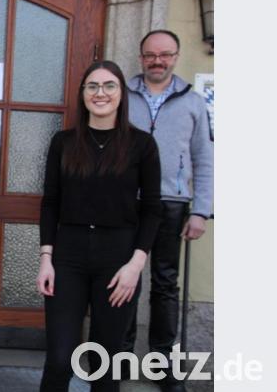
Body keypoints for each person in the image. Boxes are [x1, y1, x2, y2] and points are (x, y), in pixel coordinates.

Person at [36, 60, 162, 392]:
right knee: (60, 359)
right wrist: (46, 258)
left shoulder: (142, 145)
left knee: (104, 362)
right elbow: (50, 202)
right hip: (68, 257)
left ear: (122, 94)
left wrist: (136, 265)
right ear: (83, 94)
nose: (100, 93)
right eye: (92, 86)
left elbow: (152, 210)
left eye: (109, 86)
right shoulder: (63, 143)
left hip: (118, 260)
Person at [123, 30, 214, 392]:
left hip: (171, 204)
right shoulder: (122, 95)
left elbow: (204, 159)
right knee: (124, 281)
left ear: (175, 56)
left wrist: (201, 210)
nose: (157, 61)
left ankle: (163, 364)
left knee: (164, 284)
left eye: (165, 54)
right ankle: (121, 357)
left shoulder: (192, 102)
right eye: (150, 55)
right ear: (141, 56)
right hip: (126, 202)